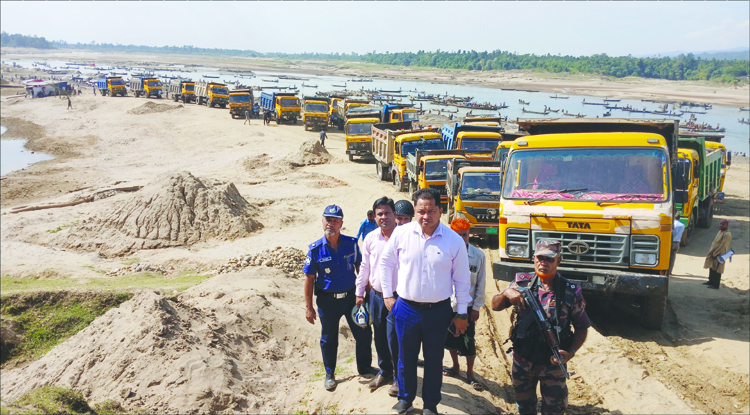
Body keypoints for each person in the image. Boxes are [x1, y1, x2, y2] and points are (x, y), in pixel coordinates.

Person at [379, 188, 471, 415]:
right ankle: (405, 399)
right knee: (405, 357)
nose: (425, 216)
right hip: (406, 308)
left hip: (438, 311)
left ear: (441, 211)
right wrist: (388, 295)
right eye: (421, 211)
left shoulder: (453, 240)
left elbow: (462, 280)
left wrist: (461, 314)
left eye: (431, 211)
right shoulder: (402, 234)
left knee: (433, 360)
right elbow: (385, 263)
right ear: (415, 210)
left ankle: (430, 405)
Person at [491, 240, 590, 415]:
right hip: (523, 360)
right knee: (524, 409)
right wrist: (506, 292)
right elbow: (495, 306)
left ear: (558, 261)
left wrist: (571, 352)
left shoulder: (570, 291)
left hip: (552, 364)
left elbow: (582, 327)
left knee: (554, 410)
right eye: (539, 258)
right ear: (534, 258)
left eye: (549, 259)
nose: (543, 263)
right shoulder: (522, 283)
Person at [303, 205, 375, 391]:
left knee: (364, 331)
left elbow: (362, 270)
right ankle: (330, 374)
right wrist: (309, 307)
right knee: (329, 338)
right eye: (328, 219)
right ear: (322, 221)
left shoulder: (351, 244)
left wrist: (366, 296)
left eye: (335, 220)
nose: (331, 224)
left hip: (351, 299)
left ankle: (365, 367)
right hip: (327, 302)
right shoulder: (316, 250)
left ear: (341, 223)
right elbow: (309, 280)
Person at [355, 197, 400, 396]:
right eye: (379, 214)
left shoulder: (404, 236)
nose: (383, 217)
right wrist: (359, 292)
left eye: (387, 213)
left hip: (399, 298)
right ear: (374, 216)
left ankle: (400, 378)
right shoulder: (371, 238)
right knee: (379, 335)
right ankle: (385, 372)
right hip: (376, 295)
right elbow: (365, 266)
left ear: (394, 215)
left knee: (396, 338)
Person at [443, 218, 486, 392]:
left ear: (469, 234)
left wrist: (476, 307)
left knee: (468, 339)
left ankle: (470, 373)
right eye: (458, 235)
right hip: (448, 304)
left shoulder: (478, 256)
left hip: (467, 306)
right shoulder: (445, 252)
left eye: (465, 235)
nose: (462, 238)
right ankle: (455, 366)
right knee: (450, 336)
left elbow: (481, 283)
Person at [703, 219, 732, 289]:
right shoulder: (720, 231)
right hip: (713, 253)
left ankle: (715, 285)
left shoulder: (727, 234)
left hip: (719, 254)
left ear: (726, 225)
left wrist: (716, 253)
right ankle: (711, 281)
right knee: (712, 267)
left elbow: (723, 245)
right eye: (720, 224)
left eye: (723, 224)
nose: (721, 225)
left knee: (717, 269)